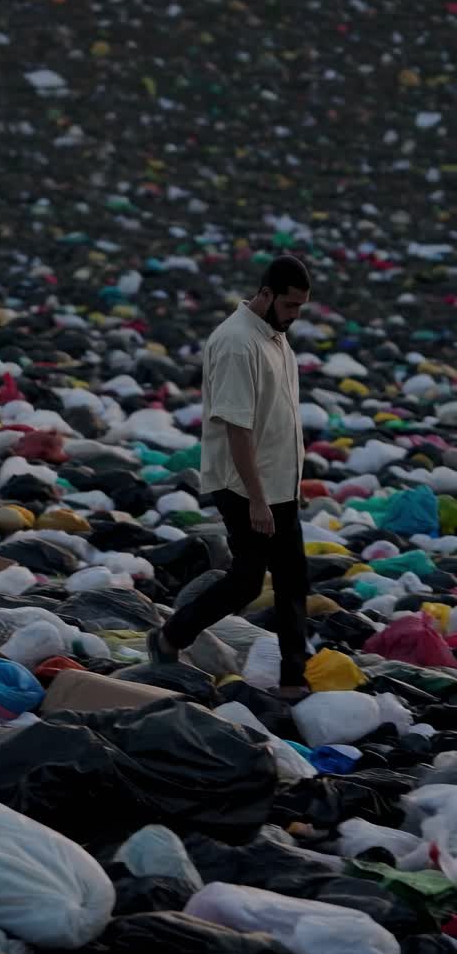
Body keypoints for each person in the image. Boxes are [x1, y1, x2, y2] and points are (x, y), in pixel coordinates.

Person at [148, 255, 311, 697]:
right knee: (246, 582)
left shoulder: (274, 337)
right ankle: (169, 637)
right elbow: (237, 428)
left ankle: (294, 680)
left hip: (276, 484)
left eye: (300, 308)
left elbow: (279, 417)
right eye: (291, 306)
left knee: (294, 579)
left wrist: (293, 483)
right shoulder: (239, 343)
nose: (295, 316)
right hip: (244, 484)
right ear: (266, 294)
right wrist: (257, 499)